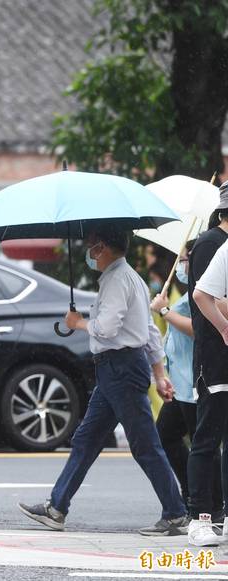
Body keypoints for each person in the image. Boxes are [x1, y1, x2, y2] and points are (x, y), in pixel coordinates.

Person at [18, 223, 188, 536]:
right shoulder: (130, 278)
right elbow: (149, 331)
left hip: (120, 367)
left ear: (103, 248)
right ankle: (57, 507)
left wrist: (79, 323)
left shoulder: (117, 280)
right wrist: (159, 373)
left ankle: (176, 513)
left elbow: (107, 329)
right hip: (119, 368)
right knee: (87, 439)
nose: (89, 251)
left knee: (145, 445)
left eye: (92, 244)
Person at [150, 243, 223, 521]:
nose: (181, 265)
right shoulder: (187, 293)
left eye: (185, 260)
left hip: (196, 383)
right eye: (179, 260)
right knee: (167, 435)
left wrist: (165, 311)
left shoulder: (203, 292)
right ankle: (193, 493)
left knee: (203, 445)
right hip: (181, 384)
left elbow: (197, 329)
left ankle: (211, 505)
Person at [187, 184, 228, 546]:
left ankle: (225, 514)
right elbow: (204, 298)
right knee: (207, 436)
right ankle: (200, 515)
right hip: (215, 355)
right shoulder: (209, 244)